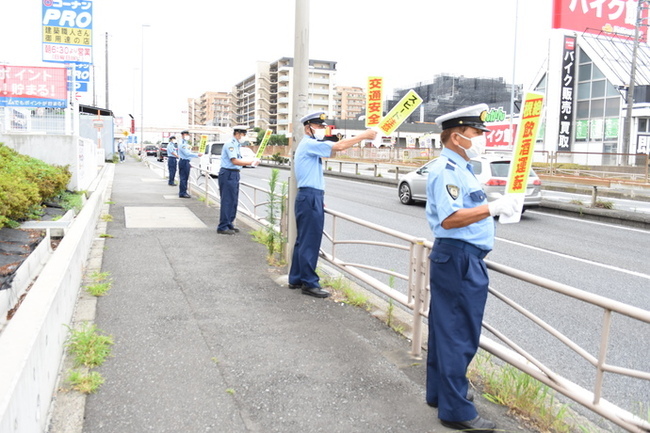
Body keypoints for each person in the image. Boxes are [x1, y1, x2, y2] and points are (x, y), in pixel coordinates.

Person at [425, 103, 517, 433]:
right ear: (456, 136)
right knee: (459, 334)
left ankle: (440, 395)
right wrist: (492, 207)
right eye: (476, 132)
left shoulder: (462, 168)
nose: (481, 138)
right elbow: (450, 219)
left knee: (445, 330)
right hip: (460, 257)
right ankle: (455, 409)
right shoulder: (447, 170)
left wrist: (492, 209)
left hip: (458, 256)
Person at [288, 111, 376, 298]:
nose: (322, 129)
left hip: (309, 196)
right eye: (319, 126)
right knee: (310, 241)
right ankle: (309, 283)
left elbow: (334, 150)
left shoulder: (309, 146)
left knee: (302, 240)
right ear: (308, 128)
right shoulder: (310, 144)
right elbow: (340, 147)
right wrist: (364, 135)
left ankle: (296, 278)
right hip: (310, 196)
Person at [217, 125, 259, 234]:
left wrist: (251, 160)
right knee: (227, 200)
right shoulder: (230, 144)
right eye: (244, 134)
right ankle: (222, 226)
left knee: (233, 200)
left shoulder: (236, 145)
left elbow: (239, 160)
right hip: (228, 173)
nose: (244, 136)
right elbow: (234, 161)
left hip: (234, 173)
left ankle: (229, 223)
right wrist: (251, 162)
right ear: (238, 133)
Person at [177, 130, 202, 198]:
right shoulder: (182, 143)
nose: (187, 136)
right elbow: (187, 153)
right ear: (182, 135)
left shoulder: (185, 142)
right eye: (186, 135)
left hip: (186, 161)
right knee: (183, 178)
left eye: (188, 135)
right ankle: (182, 193)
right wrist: (197, 155)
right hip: (183, 161)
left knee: (185, 177)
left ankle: (183, 191)